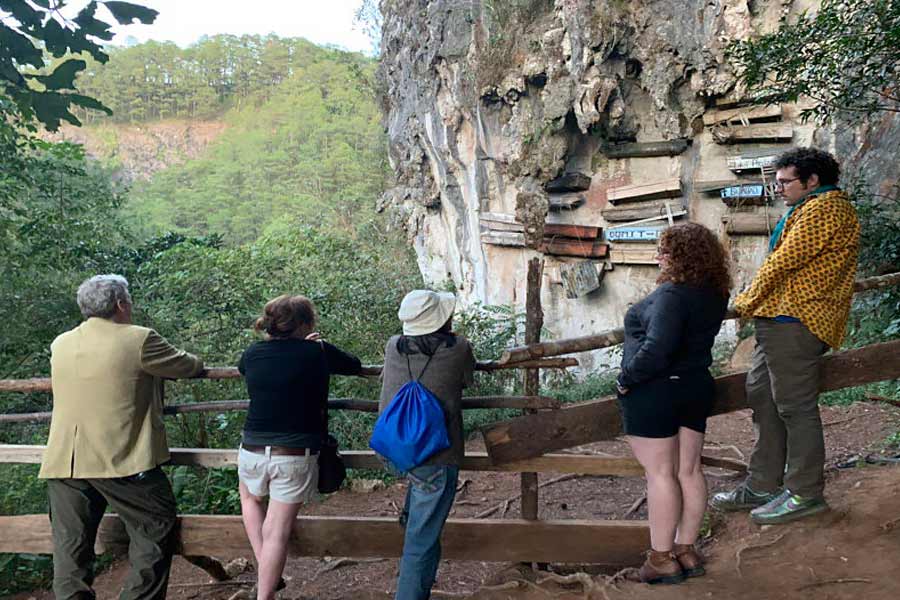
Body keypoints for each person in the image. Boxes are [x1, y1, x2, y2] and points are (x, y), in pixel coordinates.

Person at [712, 148, 860, 525]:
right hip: (779, 318)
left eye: (785, 181)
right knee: (762, 396)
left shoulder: (824, 208)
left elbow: (783, 261)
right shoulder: (806, 208)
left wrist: (744, 301)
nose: (778, 188)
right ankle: (763, 484)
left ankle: (805, 492)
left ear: (811, 181)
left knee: (795, 406)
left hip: (798, 319)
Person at [39, 274, 204, 600]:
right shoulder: (139, 339)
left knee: (71, 549)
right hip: (121, 459)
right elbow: (189, 366)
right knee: (155, 526)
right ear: (120, 304)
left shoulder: (61, 342)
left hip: (65, 462)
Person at [615, 223, 730, 584]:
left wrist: (625, 379)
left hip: (657, 391)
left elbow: (657, 348)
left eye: (664, 252)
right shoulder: (714, 292)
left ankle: (661, 559)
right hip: (695, 385)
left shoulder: (671, 295)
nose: (657, 257)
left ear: (680, 257)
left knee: (661, 474)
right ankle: (686, 550)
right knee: (689, 470)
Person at [238, 294, 362, 600]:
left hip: (252, 449)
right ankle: (265, 593)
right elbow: (354, 365)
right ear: (305, 324)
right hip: (294, 455)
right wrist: (316, 344)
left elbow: (246, 369)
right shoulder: (316, 352)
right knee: (277, 533)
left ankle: (265, 566)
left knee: (250, 500)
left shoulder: (253, 353)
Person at [379, 290, 476, 600]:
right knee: (421, 540)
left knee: (424, 524)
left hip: (393, 449)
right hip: (435, 455)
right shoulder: (458, 347)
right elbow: (466, 380)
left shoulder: (393, 346)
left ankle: (413, 517)